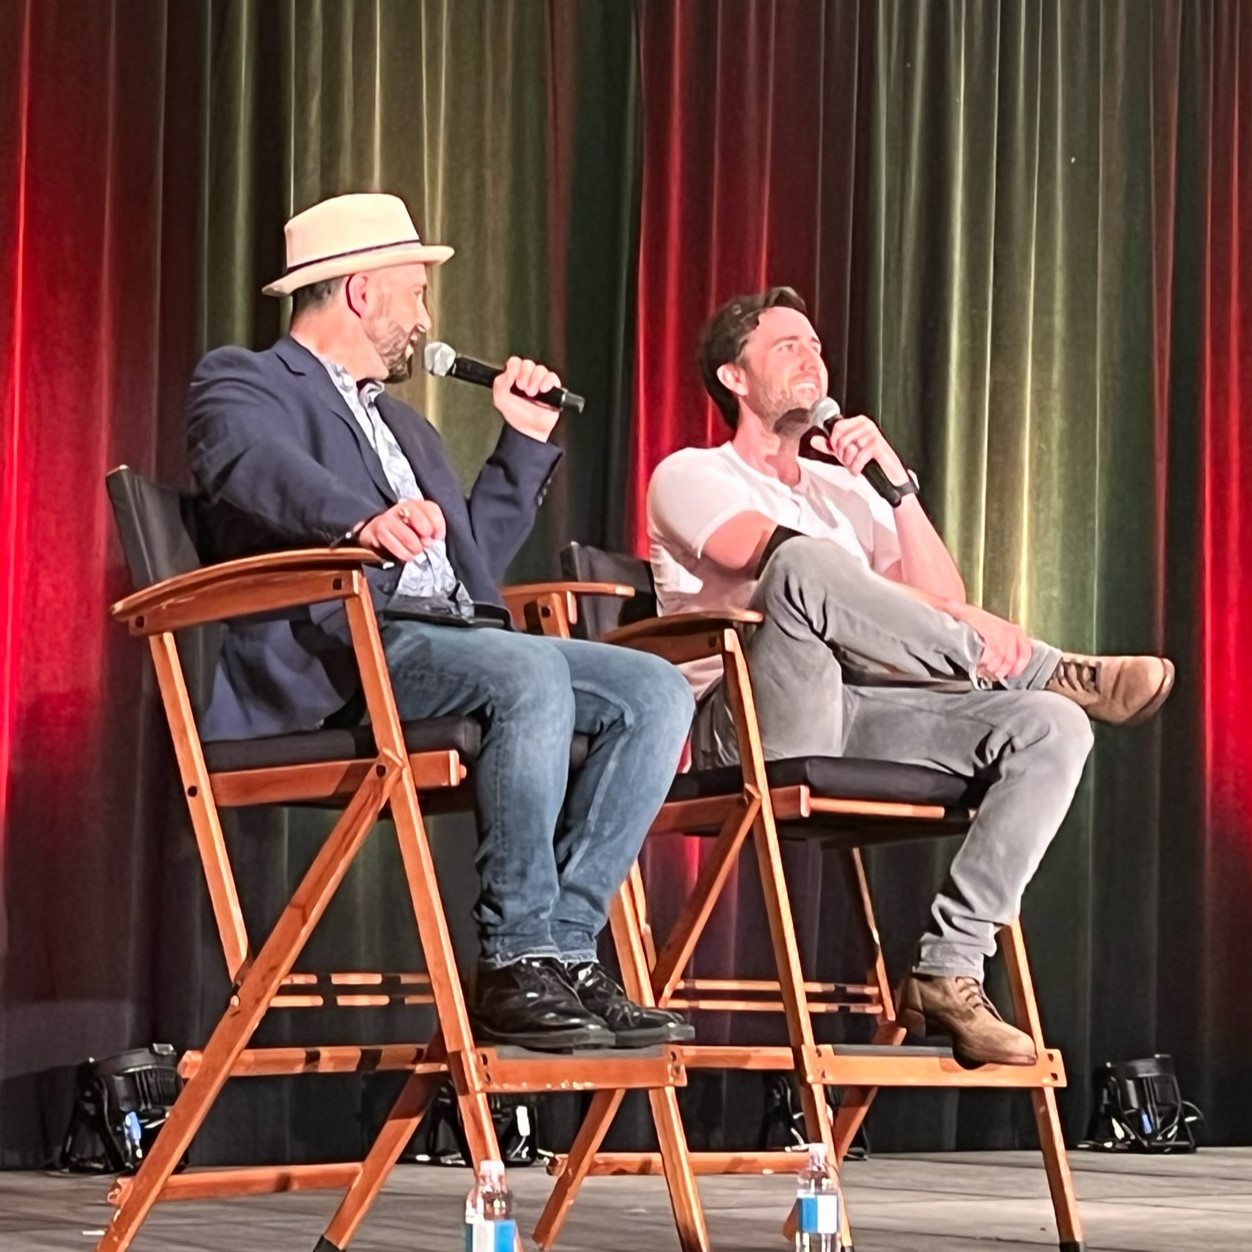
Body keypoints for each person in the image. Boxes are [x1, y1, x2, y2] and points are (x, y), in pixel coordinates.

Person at [188, 192, 695, 1051]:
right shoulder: (245, 381)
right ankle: (513, 955)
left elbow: (469, 565)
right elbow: (248, 461)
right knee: (525, 669)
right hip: (343, 654)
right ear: (361, 292)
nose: (424, 319)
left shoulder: (405, 428)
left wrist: (523, 440)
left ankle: (565, 950)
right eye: (415, 293)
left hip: (447, 640)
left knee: (654, 689)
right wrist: (356, 519)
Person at [647, 286, 1174, 1066]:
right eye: (788, 346)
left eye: (817, 347)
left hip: (865, 710)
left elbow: (944, 597)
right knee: (804, 562)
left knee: (1053, 727)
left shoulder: (845, 489)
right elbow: (764, 557)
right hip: (751, 721)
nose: (812, 360)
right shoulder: (691, 474)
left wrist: (895, 489)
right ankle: (1044, 666)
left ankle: (951, 967)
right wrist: (977, 637)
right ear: (734, 377)